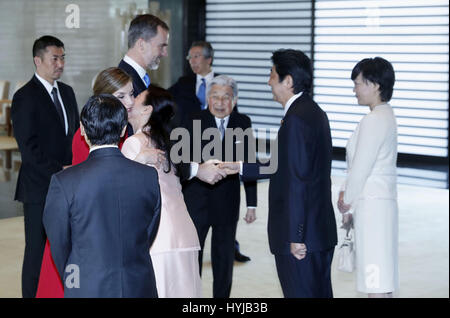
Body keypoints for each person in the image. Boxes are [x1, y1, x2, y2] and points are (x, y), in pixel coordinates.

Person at [36, 67, 164, 298]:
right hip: (115, 265)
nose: (130, 101)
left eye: (131, 94)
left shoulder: (64, 180)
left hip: (93, 271)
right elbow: (146, 231)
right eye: (121, 96)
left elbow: (61, 239)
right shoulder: (146, 174)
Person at [220, 49, 337, 298]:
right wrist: (239, 166)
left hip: (302, 239)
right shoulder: (312, 112)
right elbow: (284, 166)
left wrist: (296, 237)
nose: (268, 82)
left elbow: (298, 181)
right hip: (318, 232)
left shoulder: (296, 120)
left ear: (289, 81)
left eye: (272, 75)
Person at [11, 35, 79, 298]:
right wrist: (60, 170)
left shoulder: (67, 92)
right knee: (36, 252)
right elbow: (28, 149)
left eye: (63, 57)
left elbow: (73, 137)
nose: (60, 63)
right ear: (37, 60)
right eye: (55, 58)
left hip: (67, 186)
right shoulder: (25, 96)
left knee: (64, 248)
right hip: (39, 188)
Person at [169, 41, 249, 262]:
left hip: (223, 161)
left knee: (223, 234)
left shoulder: (224, 82)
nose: (192, 61)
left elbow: (236, 119)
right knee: (195, 239)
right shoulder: (184, 83)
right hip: (194, 158)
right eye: (190, 57)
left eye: (196, 56)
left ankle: (231, 247)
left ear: (208, 59)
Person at [121, 85, 202, 298]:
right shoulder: (168, 142)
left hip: (157, 238)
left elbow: (121, 192)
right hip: (185, 234)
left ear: (147, 110)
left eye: (135, 98)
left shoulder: (134, 143)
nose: (129, 102)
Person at [182, 75, 257, 298]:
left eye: (226, 97)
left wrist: (251, 204)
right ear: (208, 98)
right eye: (215, 97)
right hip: (197, 200)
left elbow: (249, 163)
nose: (220, 102)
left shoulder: (243, 122)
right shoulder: (193, 119)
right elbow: (182, 161)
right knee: (193, 256)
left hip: (227, 201)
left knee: (224, 258)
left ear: (234, 100)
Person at [337, 57, 398, 298]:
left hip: (372, 208)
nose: (354, 90)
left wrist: (346, 202)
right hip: (380, 206)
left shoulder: (374, 120)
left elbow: (361, 167)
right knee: (382, 279)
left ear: (374, 85)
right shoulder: (385, 115)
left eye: (358, 83)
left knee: (375, 280)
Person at [118, 14, 169, 98]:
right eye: (161, 46)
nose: (165, 53)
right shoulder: (122, 84)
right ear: (141, 44)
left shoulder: (138, 76)